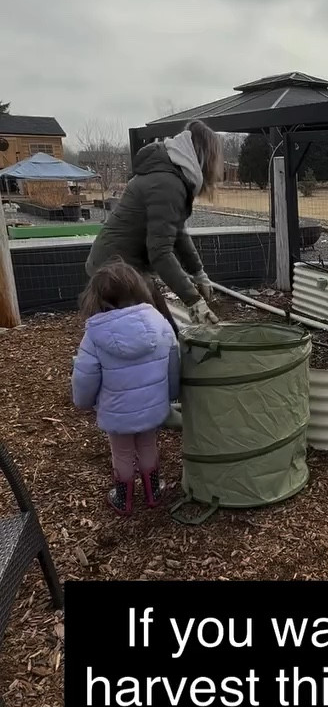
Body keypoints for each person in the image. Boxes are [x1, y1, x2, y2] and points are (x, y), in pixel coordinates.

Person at [85, 119, 224, 330]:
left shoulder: (171, 176)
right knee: (155, 335)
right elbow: (160, 252)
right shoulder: (167, 183)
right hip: (116, 271)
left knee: (164, 331)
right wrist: (193, 301)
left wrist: (198, 273)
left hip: (123, 264)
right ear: (203, 156)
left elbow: (177, 232)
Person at [72, 260, 180, 516]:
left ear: (96, 297)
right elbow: (173, 361)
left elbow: (85, 376)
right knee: (147, 445)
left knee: (121, 451)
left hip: (117, 412)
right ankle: (154, 492)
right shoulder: (160, 321)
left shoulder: (95, 334)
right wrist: (171, 393)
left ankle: (124, 498)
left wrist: (83, 402)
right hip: (153, 408)